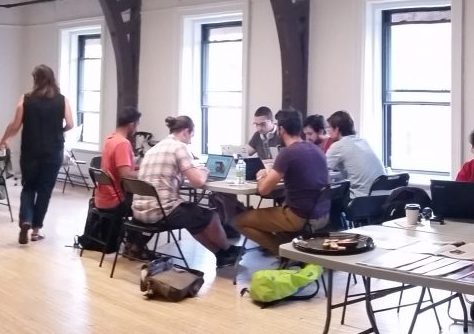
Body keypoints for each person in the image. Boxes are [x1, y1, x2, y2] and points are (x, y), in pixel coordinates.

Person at [136, 116, 240, 266]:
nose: (190, 141)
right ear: (186, 131)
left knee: (193, 218)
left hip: (139, 211)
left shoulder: (153, 149)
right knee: (212, 216)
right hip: (162, 212)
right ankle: (228, 251)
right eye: (191, 136)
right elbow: (198, 182)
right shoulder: (179, 147)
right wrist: (204, 170)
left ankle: (221, 255)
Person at [0, 65, 77, 245]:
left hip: (30, 151)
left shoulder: (26, 99)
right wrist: (58, 131)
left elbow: (15, 125)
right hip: (53, 151)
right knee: (45, 190)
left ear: (35, 80)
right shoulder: (62, 100)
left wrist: (3, 140)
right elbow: (70, 124)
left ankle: (26, 220)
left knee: (28, 187)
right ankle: (36, 230)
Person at [235, 109, 330, 255]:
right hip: (322, 214)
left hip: (298, 216)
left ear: (281, 129)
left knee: (239, 221)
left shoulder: (288, 153)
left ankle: (282, 251)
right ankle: (289, 249)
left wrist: (261, 176)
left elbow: (264, 190)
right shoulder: (316, 149)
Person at [325, 111, 386, 195]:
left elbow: (321, 170)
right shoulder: (363, 141)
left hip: (361, 198)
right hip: (382, 198)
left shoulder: (338, 146)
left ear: (337, 129)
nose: (328, 131)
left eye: (329, 127)